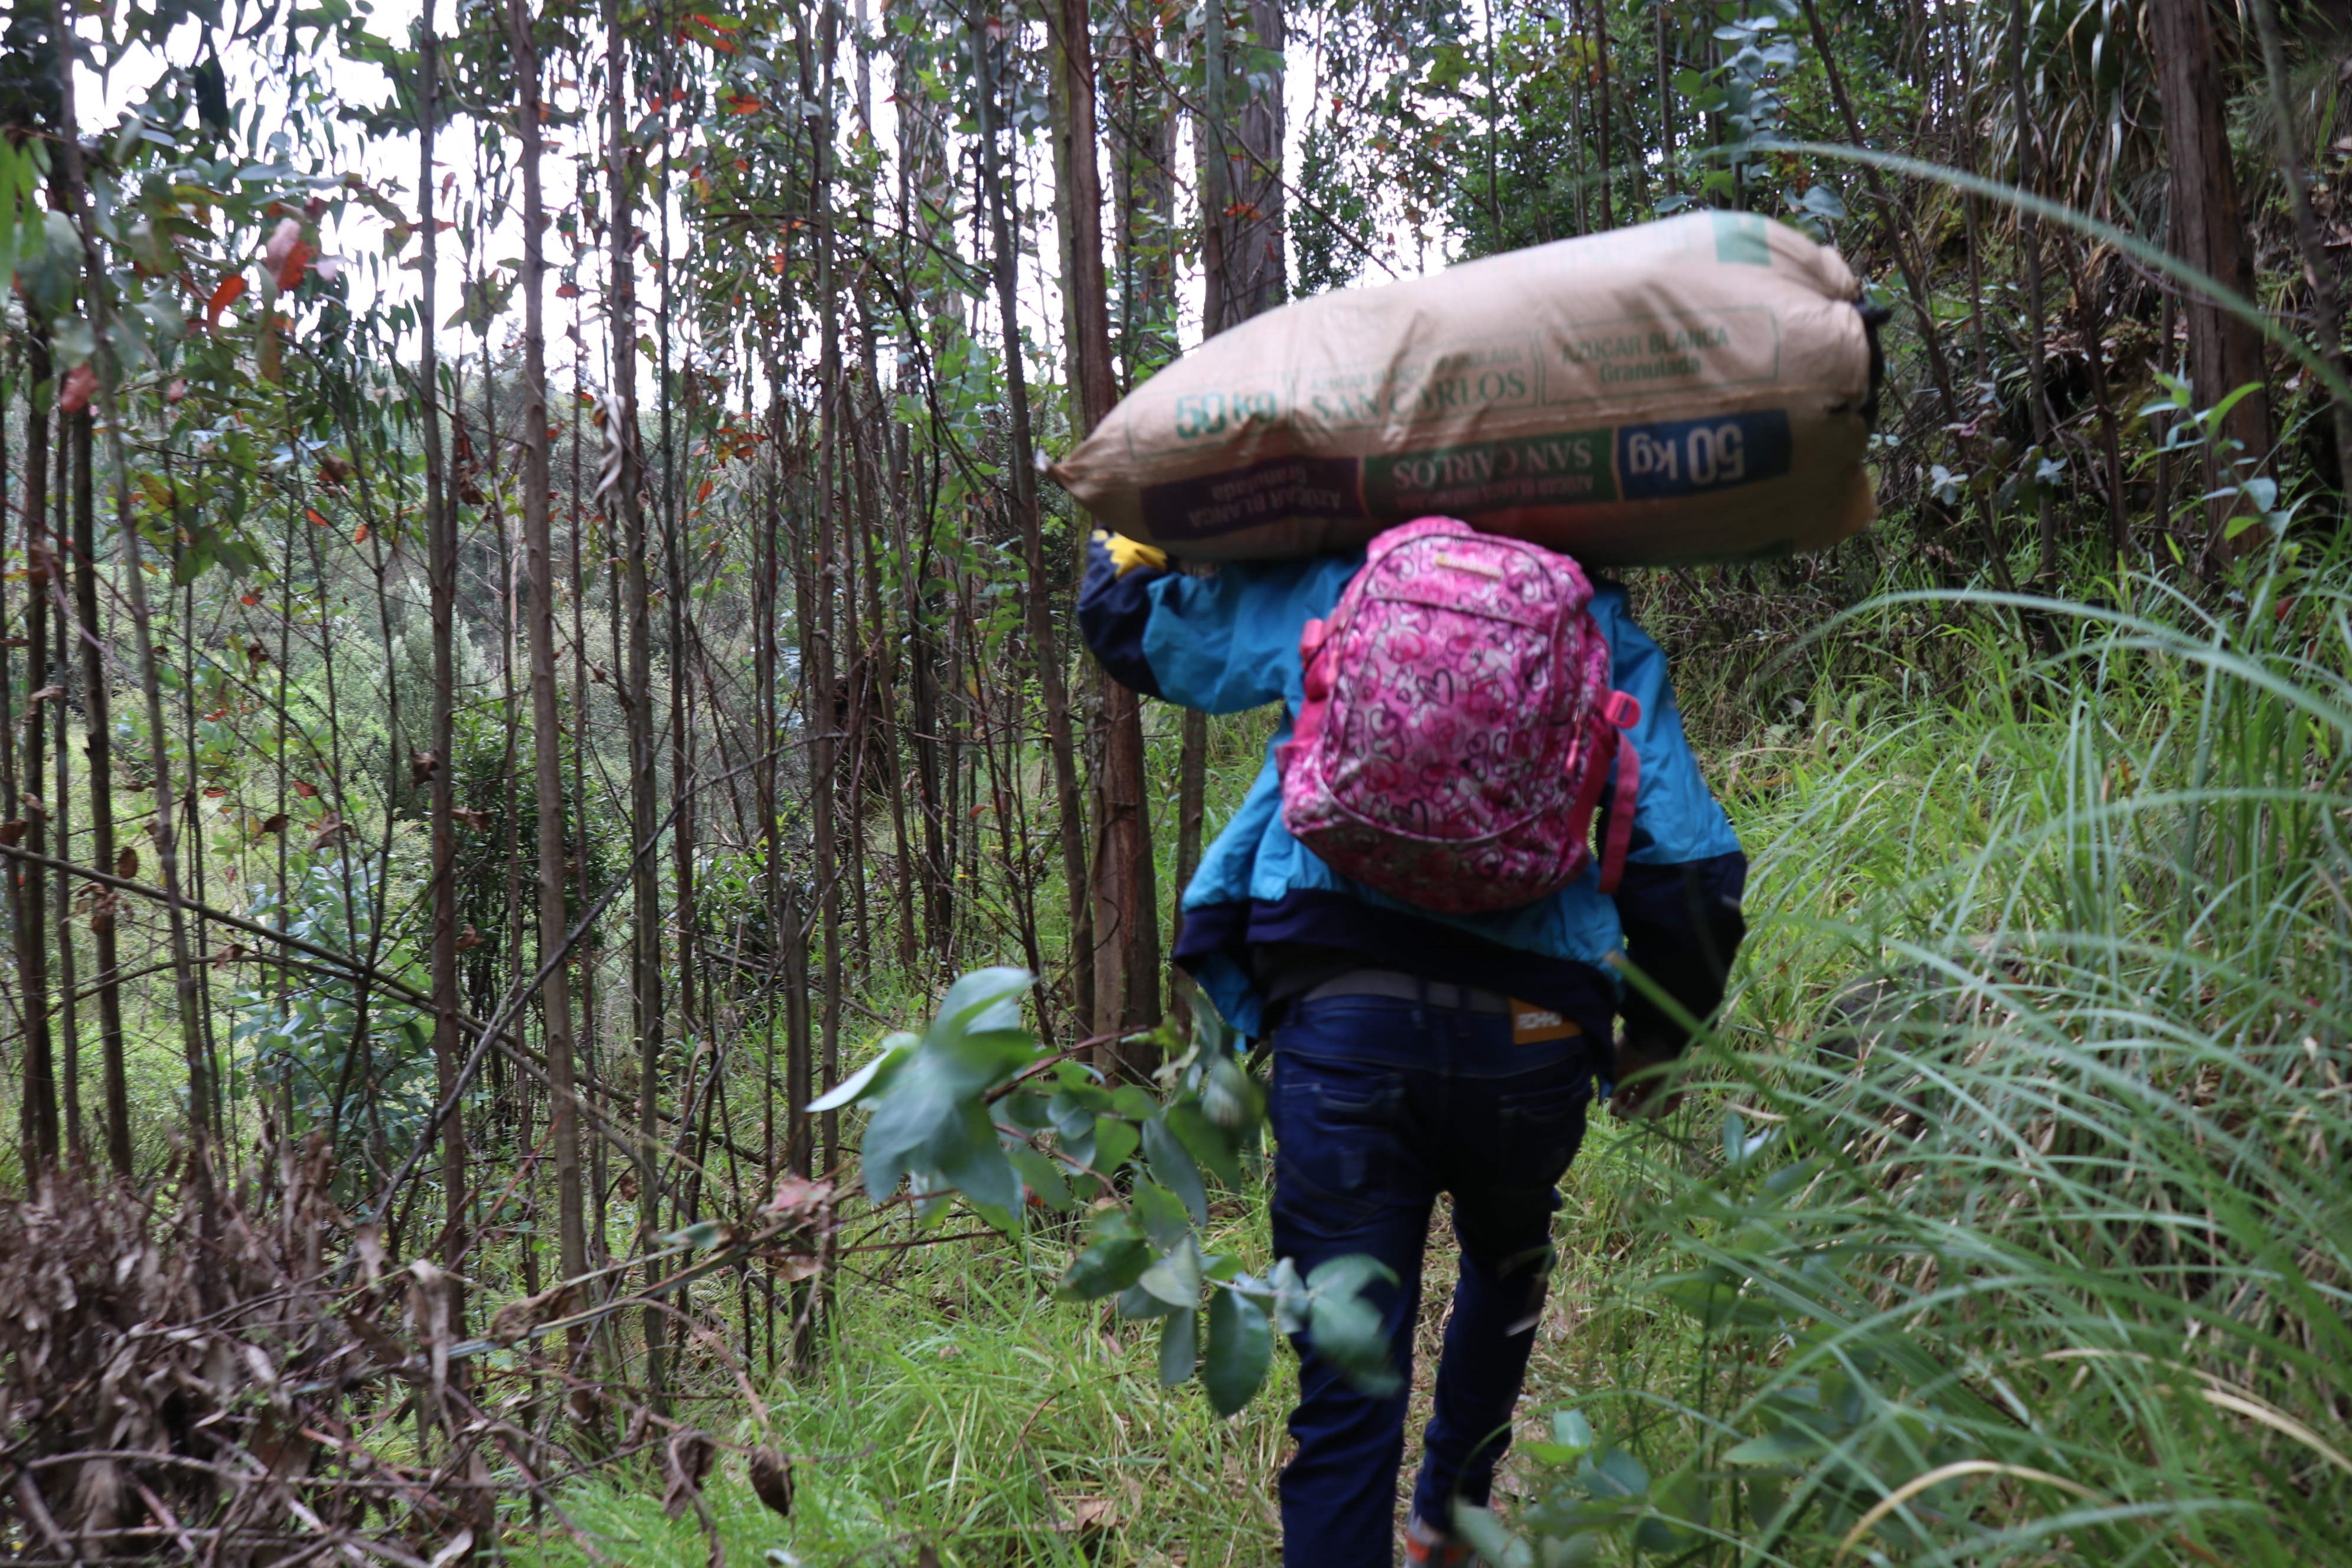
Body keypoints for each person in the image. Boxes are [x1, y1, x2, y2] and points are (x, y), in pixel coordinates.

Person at [1078, 526, 1748, 1567]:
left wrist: (1129, 538)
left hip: (1344, 1029)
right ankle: (1453, 1517)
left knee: (1345, 1396)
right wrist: (1660, 1042)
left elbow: (1138, 636)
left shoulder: (1335, 582)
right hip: (1534, 1041)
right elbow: (1693, 867)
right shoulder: (1591, 618)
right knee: (1510, 1257)